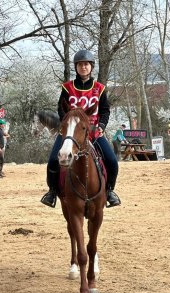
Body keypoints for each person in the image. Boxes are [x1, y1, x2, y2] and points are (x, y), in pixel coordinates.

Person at [40, 50, 121, 208]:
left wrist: (102, 126)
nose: (83, 67)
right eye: (80, 65)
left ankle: (110, 190)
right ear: (76, 67)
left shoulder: (100, 88)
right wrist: (67, 123)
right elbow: (61, 109)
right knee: (52, 161)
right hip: (70, 131)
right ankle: (52, 192)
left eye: (86, 64)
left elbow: (105, 110)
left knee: (112, 161)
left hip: (93, 131)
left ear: (91, 67)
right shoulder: (67, 87)